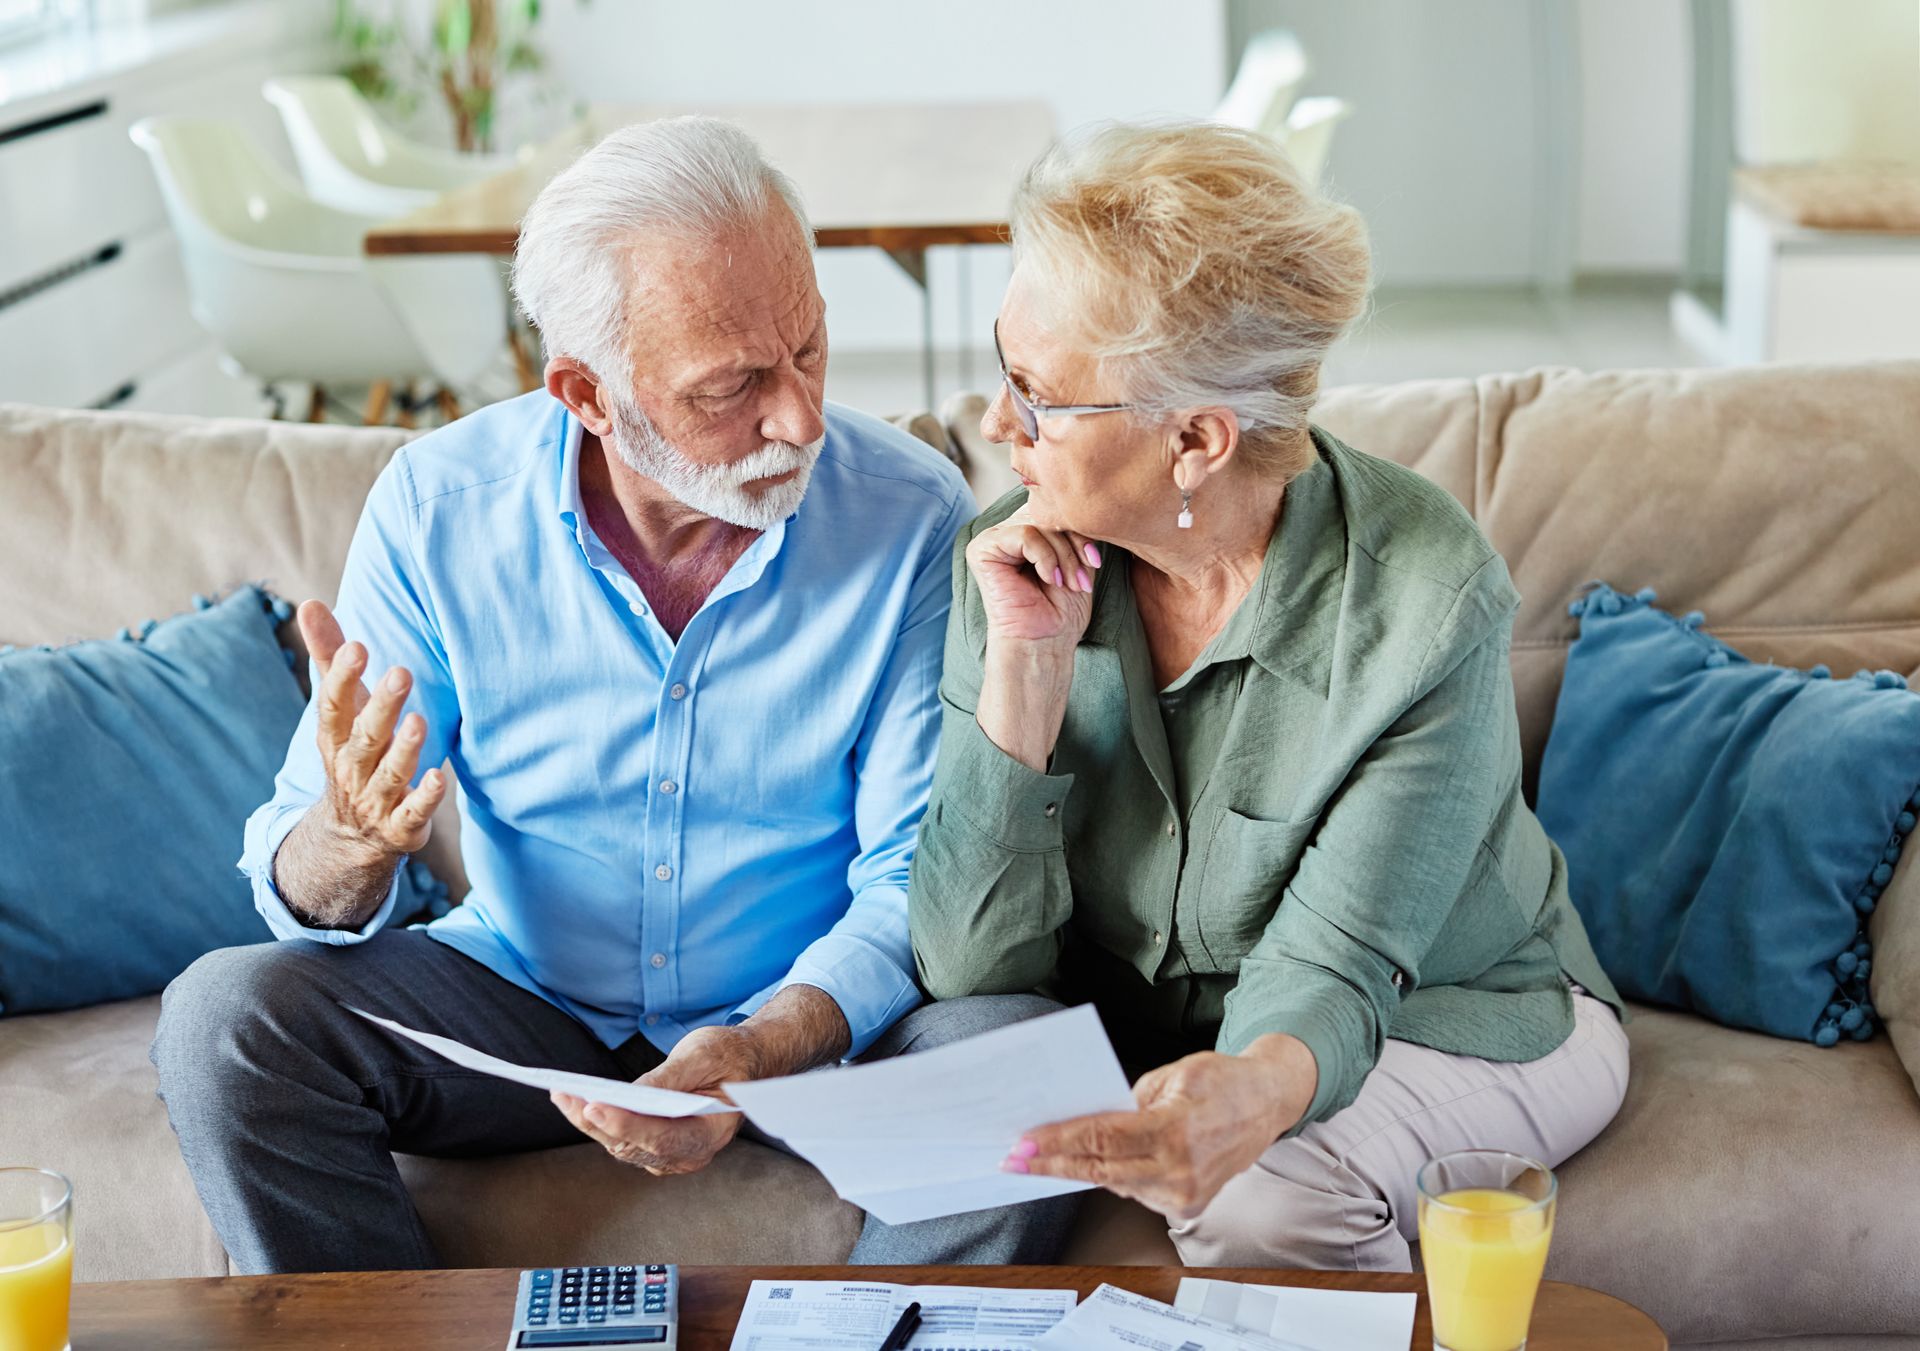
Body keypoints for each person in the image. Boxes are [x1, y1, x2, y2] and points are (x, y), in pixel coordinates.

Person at [150, 116, 1068, 1275]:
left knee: (1014, 1050)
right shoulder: (441, 508)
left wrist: (759, 1043)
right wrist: (348, 839)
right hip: (527, 1006)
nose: (799, 419)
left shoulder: (912, 516)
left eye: (811, 350)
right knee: (228, 1019)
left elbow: (910, 878)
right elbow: (302, 870)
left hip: (810, 1026)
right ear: (587, 393)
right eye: (734, 385)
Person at [909, 120, 1629, 1272]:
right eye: (1002, 369)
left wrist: (1244, 1095)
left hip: (1454, 1012)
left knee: (1258, 1194)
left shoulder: (1424, 603)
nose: (998, 425)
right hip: (1171, 1042)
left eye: (1036, 394)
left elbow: (1338, 964)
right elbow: (968, 972)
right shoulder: (1012, 560)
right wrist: (1025, 677)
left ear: (1195, 439)